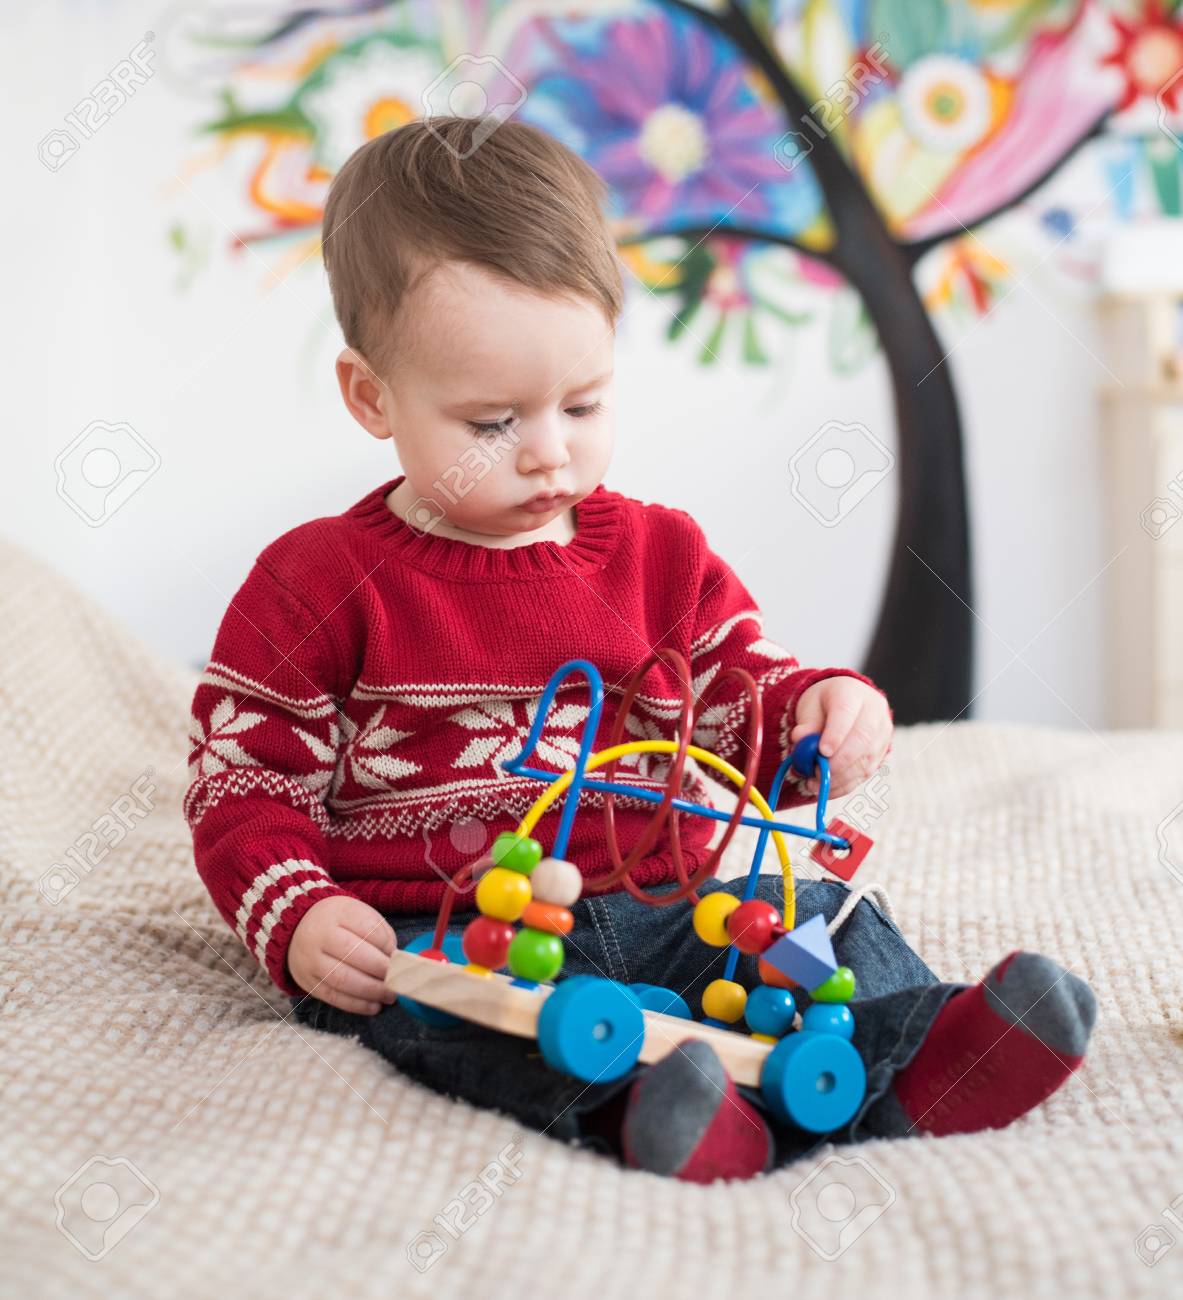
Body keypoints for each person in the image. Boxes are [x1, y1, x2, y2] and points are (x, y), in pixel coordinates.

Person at [184, 116, 1095, 1183]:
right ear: (372, 396)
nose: (549, 451)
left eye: (583, 403)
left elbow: (735, 697)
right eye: (490, 423)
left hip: (675, 905)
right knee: (460, 1029)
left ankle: (923, 1056)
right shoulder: (319, 580)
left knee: (815, 920)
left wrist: (816, 710)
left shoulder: (660, 553)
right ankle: (659, 1114)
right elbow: (240, 782)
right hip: (458, 933)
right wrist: (300, 913)